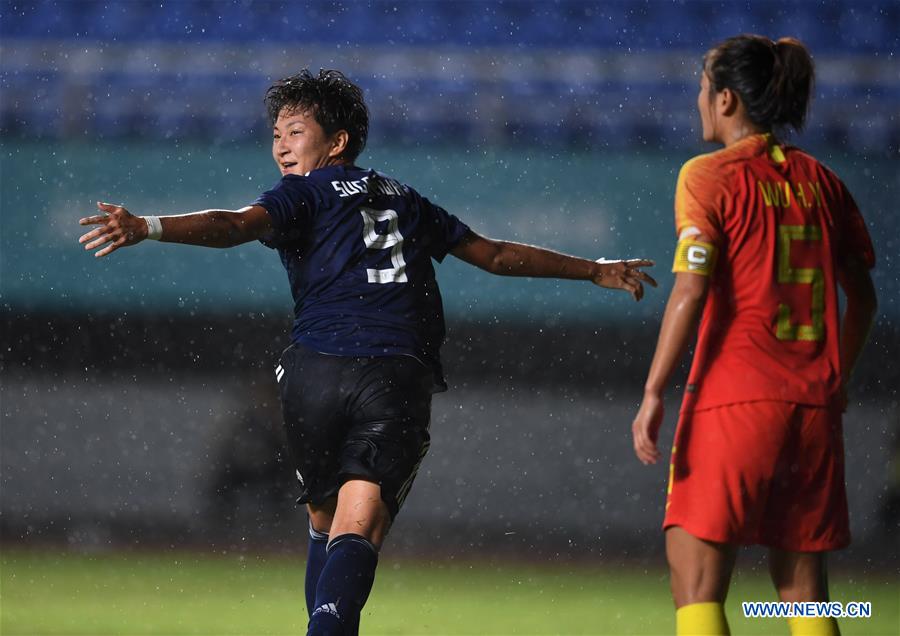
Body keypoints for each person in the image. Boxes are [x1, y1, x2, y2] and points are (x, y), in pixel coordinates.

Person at [78, 69, 656, 636]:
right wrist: (594, 270)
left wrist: (149, 226)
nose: (280, 146)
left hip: (313, 374)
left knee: (324, 525)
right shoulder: (403, 197)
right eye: (276, 134)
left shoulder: (300, 194)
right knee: (358, 529)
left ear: (338, 142)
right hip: (391, 374)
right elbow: (497, 255)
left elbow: (233, 225)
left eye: (295, 132)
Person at [631, 35, 877, 636]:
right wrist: (836, 377)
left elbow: (689, 289)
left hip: (734, 398)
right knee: (804, 593)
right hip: (813, 406)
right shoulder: (824, 182)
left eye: (701, 89)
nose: (698, 102)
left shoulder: (708, 176)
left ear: (727, 100)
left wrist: (655, 390)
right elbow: (863, 297)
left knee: (695, 579)